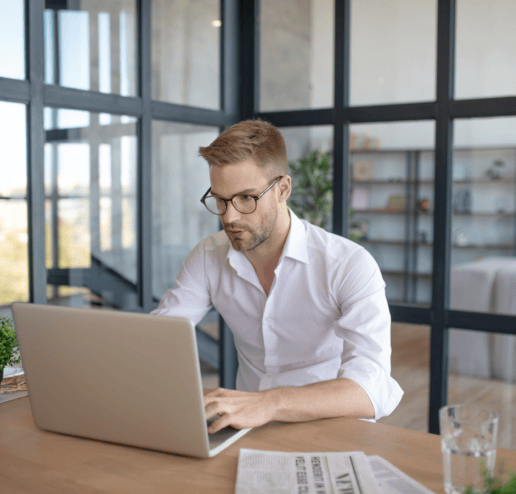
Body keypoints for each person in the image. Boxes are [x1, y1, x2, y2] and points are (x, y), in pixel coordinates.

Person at [151, 119, 402, 433]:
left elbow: (371, 389)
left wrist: (269, 402)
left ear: (283, 188)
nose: (229, 217)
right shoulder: (208, 256)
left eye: (246, 198)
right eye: (219, 200)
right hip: (246, 429)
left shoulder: (348, 264)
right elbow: (158, 339)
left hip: (331, 430)